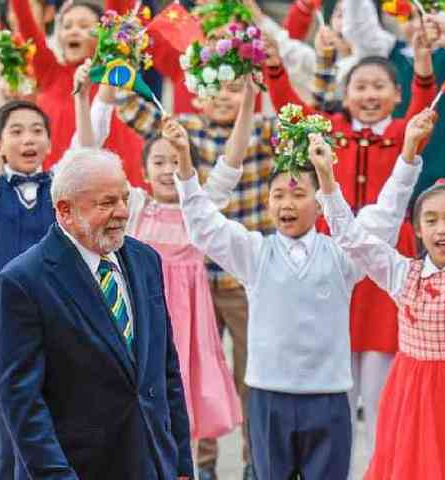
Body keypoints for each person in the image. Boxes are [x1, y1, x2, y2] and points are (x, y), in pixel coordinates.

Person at [174, 75, 419, 479]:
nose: (287, 203)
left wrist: (408, 154)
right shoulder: (255, 252)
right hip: (269, 395)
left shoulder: (343, 253)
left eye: (298, 193)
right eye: (279, 195)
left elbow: (387, 214)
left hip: (329, 396)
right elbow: (202, 226)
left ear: (319, 202)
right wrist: (185, 164)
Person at [264, 30, 436, 460]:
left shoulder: (403, 134)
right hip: (333, 263)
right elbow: (291, 109)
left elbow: (422, 110)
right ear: (345, 92)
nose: (369, 94)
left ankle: (382, 466)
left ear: (396, 94)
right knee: (337, 386)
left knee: (381, 392)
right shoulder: (328, 133)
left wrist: (422, 66)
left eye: (380, 86)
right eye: (360, 86)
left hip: (384, 268)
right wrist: (272, 66)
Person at [0, 146, 194, 479]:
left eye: (125, 199)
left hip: (153, 464)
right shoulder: (21, 283)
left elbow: (166, 369)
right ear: (65, 211)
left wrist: (182, 463)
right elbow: (22, 403)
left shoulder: (145, 261)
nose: (123, 212)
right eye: (107, 203)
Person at [74, 64, 242, 470]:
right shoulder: (133, 206)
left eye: (175, 162)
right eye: (159, 162)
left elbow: (232, 162)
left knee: (182, 397)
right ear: (144, 172)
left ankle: (189, 466)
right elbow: (86, 156)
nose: (167, 170)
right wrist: (87, 98)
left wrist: (249, 99)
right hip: (142, 317)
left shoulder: (198, 211)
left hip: (189, 325)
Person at [316, 109, 445, 480]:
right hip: (415, 396)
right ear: (417, 230)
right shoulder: (402, 273)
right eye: (432, 220)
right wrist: (327, 179)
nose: (443, 229)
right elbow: (351, 237)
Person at [10, 0, 145, 185]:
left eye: (84, 26)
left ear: (101, 36)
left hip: (102, 178)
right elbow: (26, 25)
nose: (73, 31)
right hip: (57, 181)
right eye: (66, 26)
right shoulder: (48, 71)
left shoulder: (106, 72)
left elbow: (117, 12)